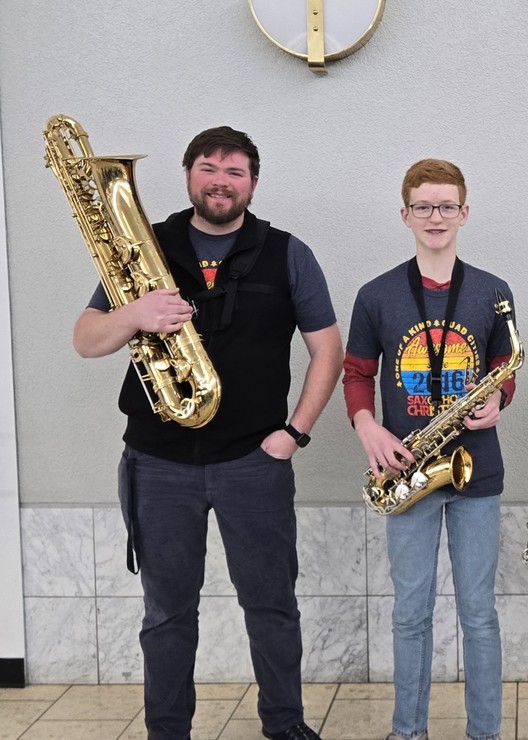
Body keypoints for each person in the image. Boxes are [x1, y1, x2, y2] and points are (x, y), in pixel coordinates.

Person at [72, 126, 343, 740]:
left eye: (236, 171)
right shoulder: (144, 247)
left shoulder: (288, 253)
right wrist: (134, 313)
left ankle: (284, 726)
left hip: (254, 460)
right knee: (167, 613)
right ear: (190, 174)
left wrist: (293, 435)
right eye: (208, 167)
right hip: (159, 463)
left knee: (271, 607)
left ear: (252, 182)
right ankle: (168, 733)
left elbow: (328, 350)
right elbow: (86, 341)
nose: (221, 180)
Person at [342, 159, 516, 740]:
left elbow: (503, 368)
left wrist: (500, 401)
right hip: (409, 471)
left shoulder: (493, 293)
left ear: (465, 213)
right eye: (423, 206)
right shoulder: (376, 295)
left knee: (479, 614)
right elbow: (357, 373)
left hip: (476, 474)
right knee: (410, 614)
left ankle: (485, 733)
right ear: (405, 214)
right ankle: (406, 732)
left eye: (446, 206)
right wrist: (367, 426)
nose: (435, 217)